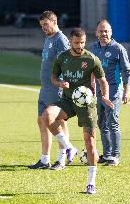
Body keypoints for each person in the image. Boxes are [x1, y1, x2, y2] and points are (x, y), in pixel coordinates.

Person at [42, 28, 113, 194]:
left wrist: (105, 96)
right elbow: (53, 78)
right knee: (47, 116)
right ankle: (69, 148)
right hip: (67, 100)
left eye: (82, 43)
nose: (80, 46)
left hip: (86, 104)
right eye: (76, 43)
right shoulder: (62, 58)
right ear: (70, 41)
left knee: (90, 143)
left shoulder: (91, 59)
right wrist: (60, 84)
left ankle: (91, 183)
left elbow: (103, 81)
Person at [28, 11, 72, 170]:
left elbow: (68, 63)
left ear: (54, 22)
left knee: (58, 121)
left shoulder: (61, 40)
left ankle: (61, 160)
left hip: (57, 89)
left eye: (45, 24)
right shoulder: (48, 38)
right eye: (41, 26)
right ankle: (44, 159)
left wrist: (64, 84)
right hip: (45, 88)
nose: (43, 28)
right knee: (41, 121)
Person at [91, 19, 130, 166]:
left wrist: (126, 91)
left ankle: (115, 156)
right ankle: (107, 154)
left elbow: (127, 72)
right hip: (99, 93)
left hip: (114, 92)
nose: (104, 34)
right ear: (96, 33)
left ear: (111, 32)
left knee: (112, 122)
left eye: (106, 31)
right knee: (102, 123)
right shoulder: (93, 49)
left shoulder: (118, 49)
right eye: (101, 31)